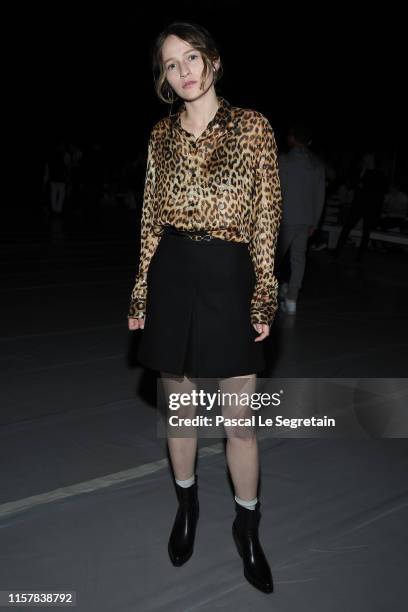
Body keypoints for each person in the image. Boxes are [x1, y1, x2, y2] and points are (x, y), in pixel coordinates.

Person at [127, 21, 282, 594]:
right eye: (171, 64)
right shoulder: (159, 137)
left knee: (239, 420)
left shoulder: (252, 127)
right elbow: (148, 218)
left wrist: (265, 292)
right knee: (180, 408)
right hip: (172, 270)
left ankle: (247, 527)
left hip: (229, 272)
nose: (184, 70)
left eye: (192, 57)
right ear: (164, 79)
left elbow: (267, 217)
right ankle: (187, 508)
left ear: (214, 61)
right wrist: (140, 290)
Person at [275, 126, 326, 314]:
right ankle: (292, 300)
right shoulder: (316, 165)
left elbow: (275, 191)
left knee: (273, 261)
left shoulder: (283, 161)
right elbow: (320, 196)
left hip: (285, 218)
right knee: (298, 260)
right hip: (305, 220)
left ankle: (268, 298)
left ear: (292, 138)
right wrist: (315, 221)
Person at [331, 152, 387, 261]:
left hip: (370, 208)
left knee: (366, 232)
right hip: (357, 206)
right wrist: (361, 175)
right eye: (364, 157)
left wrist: (363, 183)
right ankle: (337, 251)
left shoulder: (379, 174)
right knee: (346, 228)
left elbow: (378, 192)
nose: (364, 159)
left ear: (371, 158)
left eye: (366, 157)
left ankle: (359, 256)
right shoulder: (361, 171)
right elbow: (353, 184)